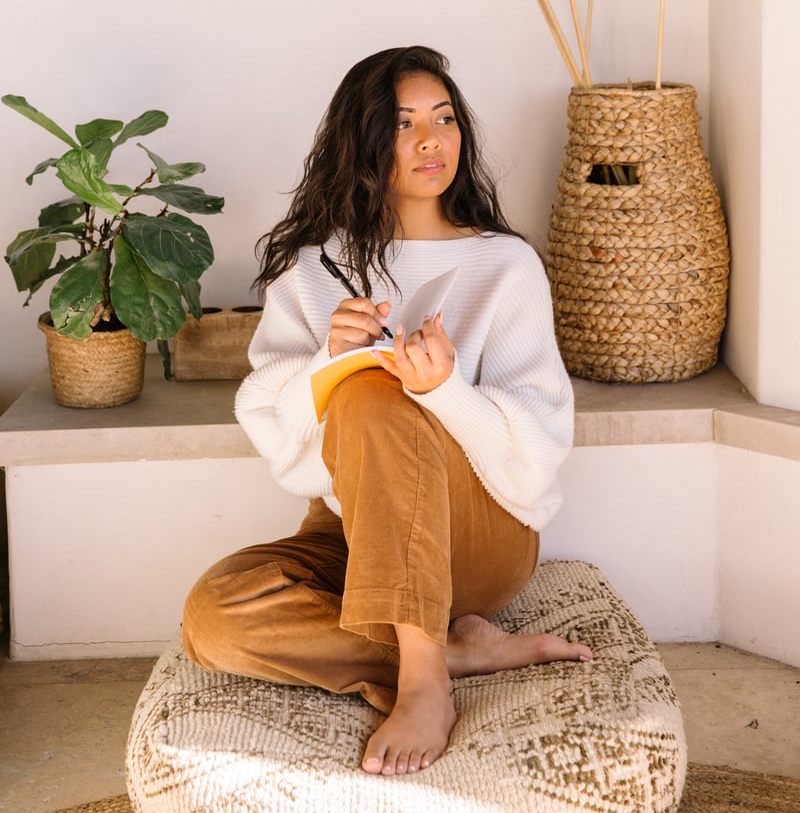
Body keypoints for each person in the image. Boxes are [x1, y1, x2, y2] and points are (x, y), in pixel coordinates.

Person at [182, 45, 591, 778]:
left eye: (444, 118)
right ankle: (451, 647)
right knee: (212, 619)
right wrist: (327, 365)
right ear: (365, 143)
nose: (433, 140)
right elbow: (277, 435)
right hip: (352, 530)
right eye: (405, 124)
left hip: (480, 531)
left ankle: (425, 682)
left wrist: (443, 394)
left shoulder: (506, 266)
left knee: (377, 392)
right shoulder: (314, 268)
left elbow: (537, 447)